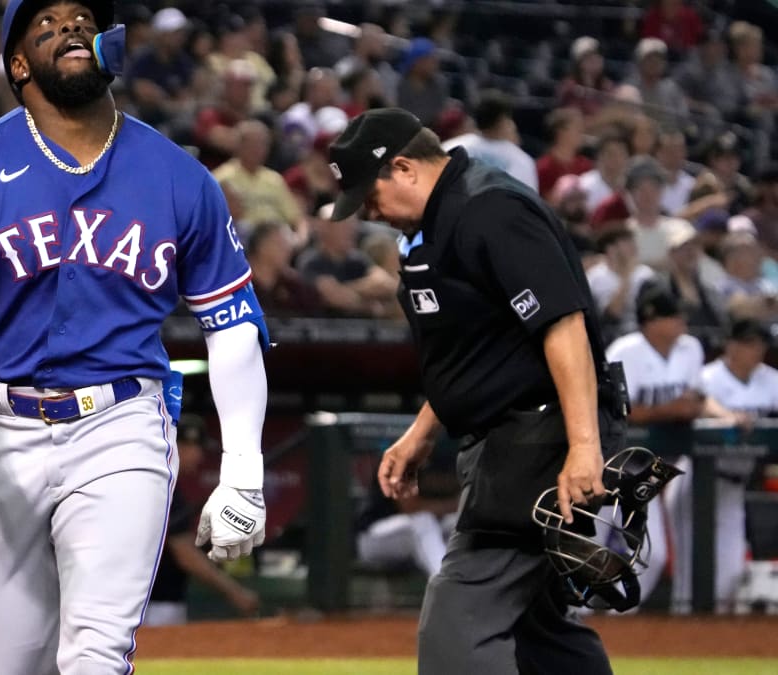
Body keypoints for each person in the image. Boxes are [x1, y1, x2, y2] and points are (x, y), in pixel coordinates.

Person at [0, 2, 269, 673]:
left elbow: (233, 320)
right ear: (18, 65)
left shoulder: (180, 175)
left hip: (121, 422)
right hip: (6, 427)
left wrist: (243, 466)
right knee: (9, 664)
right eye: (45, 25)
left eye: (81, 18)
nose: (70, 27)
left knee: (95, 656)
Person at [329, 107, 622, 673]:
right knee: (536, 626)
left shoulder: (489, 209)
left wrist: (584, 445)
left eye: (371, 195)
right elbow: (481, 351)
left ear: (406, 168)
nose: (369, 212)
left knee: (457, 620)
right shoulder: (438, 225)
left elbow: (563, 325)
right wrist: (420, 432)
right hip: (511, 436)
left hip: (539, 434)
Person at [604, 286, 742, 611]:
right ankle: (587, 620)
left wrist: (722, 414)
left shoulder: (690, 348)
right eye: (674, 315)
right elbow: (616, 409)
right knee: (592, 545)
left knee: (652, 554)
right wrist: (671, 410)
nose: (682, 321)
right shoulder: (624, 350)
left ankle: (607, 622)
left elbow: (695, 399)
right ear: (652, 320)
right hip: (612, 463)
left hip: (651, 468)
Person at [144, 416, 261, 626]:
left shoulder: (149, 482)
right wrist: (235, 592)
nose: (199, 457)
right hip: (156, 605)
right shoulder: (164, 488)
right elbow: (185, 554)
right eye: (195, 448)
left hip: (134, 600)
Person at [699, 318, 778, 612]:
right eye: (749, 344)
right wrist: (727, 416)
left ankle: (711, 644)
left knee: (730, 574)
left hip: (735, 485)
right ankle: (676, 640)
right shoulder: (709, 376)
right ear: (731, 344)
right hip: (699, 484)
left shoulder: (769, 378)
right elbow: (699, 399)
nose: (756, 351)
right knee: (692, 571)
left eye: (760, 345)